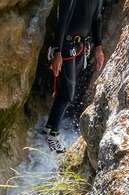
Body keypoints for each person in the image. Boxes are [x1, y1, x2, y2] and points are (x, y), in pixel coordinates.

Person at [44, 0, 106, 153]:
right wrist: (58, 52)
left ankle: (49, 127)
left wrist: (99, 47)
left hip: (80, 46)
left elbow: (96, 18)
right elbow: (63, 19)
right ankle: (53, 134)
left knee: (66, 90)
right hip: (66, 46)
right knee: (67, 94)